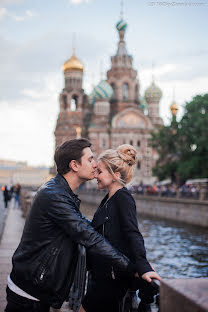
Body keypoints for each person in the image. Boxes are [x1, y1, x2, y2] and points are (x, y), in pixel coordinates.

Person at [5, 139, 138, 312]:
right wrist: (129, 267)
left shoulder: (60, 192)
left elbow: (86, 228)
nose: (95, 164)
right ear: (74, 165)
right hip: (30, 292)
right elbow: (88, 236)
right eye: (90, 159)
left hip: (35, 287)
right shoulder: (55, 196)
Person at [81, 144, 161, 312]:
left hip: (112, 280)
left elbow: (132, 232)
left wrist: (143, 266)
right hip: (102, 276)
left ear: (115, 175)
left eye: (100, 171)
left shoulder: (123, 197)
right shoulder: (108, 199)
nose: (95, 175)